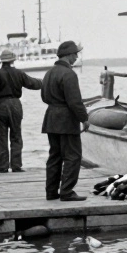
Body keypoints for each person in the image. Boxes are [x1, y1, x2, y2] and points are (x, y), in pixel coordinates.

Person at [41, 40, 88, 201]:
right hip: (66, 120)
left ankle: (51, 192)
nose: (76, 57)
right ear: (69, 55)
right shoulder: (69, 74)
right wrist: (84, 118)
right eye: (75, 54)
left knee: (54, 156)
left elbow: (44, 97)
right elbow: (75, 102)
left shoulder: (49, 73)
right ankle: (67, 191)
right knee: (73, 156)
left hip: (51, 118)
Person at [0, 49, 42, 173]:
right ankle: (16, 166)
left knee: (2, 137)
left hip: (1, 105)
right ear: (12, 60)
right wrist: (45, 81)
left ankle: (3, 167)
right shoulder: (19, 73)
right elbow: (33, 84)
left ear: (2, 61)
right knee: (16, 136)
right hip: (16, 104)